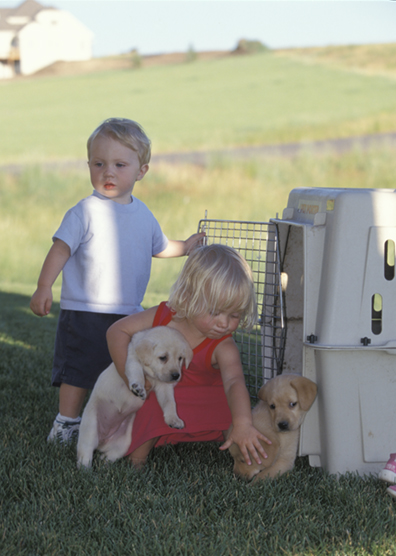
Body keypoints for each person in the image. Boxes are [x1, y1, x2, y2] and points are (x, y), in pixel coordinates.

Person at [30, 117, 204, 444]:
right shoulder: (83, 212)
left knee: (123, 370)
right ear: (89, 166)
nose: (108, 172)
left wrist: (185, 246)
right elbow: (60, 249)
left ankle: (117, 424)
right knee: (79, 371)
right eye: (99, 163)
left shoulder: (144, 214)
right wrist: (44, 286)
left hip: (128, 314)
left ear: (141, 170)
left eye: (120, 164)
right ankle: (66, 422)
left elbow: (160, 246)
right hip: (85, 310)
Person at [106, 244, 272, 468]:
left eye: (234, 315)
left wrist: (243, 423)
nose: (224, 323)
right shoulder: (163, 316)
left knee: (229, 408)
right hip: (162, 389)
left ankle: (240, 444)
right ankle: (137, 460)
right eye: (214, 312)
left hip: (206, 398)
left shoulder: (223, 344)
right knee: (149, 403)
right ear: (187, 297)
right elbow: (117, 331)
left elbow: (234, 383)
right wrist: (130, 378)